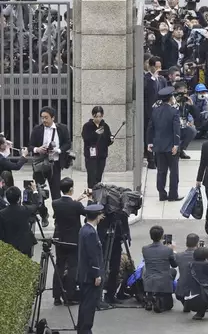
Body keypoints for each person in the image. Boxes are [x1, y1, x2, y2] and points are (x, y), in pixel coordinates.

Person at [52, 177, 86, 305]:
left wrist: (76, 200)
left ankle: (56, 296)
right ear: (71, 189)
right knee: (72, 267)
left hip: (60, 239)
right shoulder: (76, 206)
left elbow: (66, 208)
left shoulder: (55, 203)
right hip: (73, 240)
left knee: (59, 266)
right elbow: (85, 212)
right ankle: (70, 296)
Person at [29, 106, 71, 202]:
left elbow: (68, 143)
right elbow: (30, 146)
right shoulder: (37, 129)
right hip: (40, 164)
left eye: (46, 117)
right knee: (38, 190)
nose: (44, 120)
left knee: (56, 191)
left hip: (55, 164)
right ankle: (40, 212)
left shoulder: (62, 128)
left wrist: (59, 150)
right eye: (42, 117)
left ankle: (58, 213)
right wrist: (37, 149)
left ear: (53, 118)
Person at [147, 87, 182, 202]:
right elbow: (176, 130)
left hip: (159, 146)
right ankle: (173, 194)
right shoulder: (174, 111)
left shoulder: (155, 111)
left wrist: (150, 142)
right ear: (170, 98)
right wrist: (176, 144)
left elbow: (150, 128)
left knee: (161, 171)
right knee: (174, 172)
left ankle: (162, 194)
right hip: (171, 145)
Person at [76, 204, 106, 334]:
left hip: (84, 274)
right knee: (89, 306)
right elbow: (92, 256)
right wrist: (97, 274)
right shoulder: (91, 233)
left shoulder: (85, 229)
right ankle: (85, 330)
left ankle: (82, 329)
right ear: (98, 216)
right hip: (90, 276)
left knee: (84, 304)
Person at [142, 225, 178, 313]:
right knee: (173, 271)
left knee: (147, 270)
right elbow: (174, 265)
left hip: (149, 279)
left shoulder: (145, 249)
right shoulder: (168, 250)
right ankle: (159, 300)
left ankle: (150, 297)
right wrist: (173, 251)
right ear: (162, 236)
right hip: (163, 279)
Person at [81, 106, 115, 189]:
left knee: (99, 176)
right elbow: (86, 138)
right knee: (91, 176)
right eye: (96, 116)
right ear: (93, 116)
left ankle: (98, 195)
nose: (98, 119)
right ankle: (91, 195)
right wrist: (96, 133)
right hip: (91, 155)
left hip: (101, 155)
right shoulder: (87, 126)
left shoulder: (105, 126)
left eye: (100, 116)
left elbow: (107, 140)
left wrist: (111, 139)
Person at [0, 185, 38, 257]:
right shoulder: (24, 210)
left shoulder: (2, 214)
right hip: (24, 246)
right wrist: (35, 191)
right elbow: (36, 205)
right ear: (19, 198)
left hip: (9, 247)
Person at [175, 233, 199, 312]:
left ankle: (186, 302)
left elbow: (174, 264)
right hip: (196, 290)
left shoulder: (179, 255)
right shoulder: (200, 256)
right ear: (197, 243)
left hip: (180, 291)